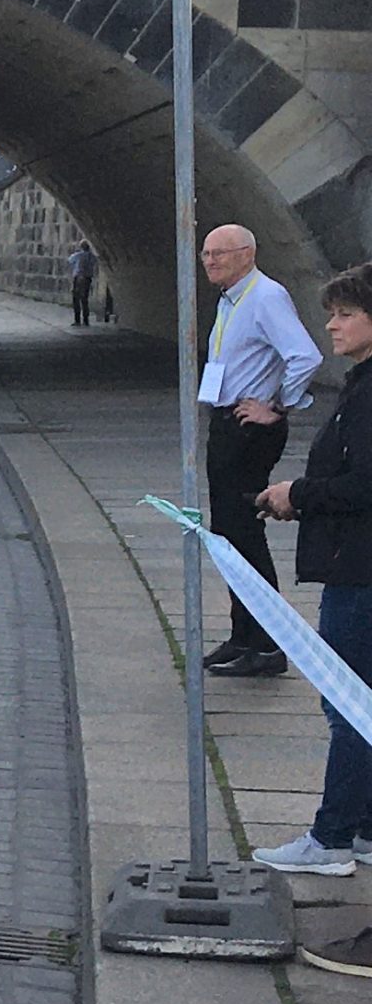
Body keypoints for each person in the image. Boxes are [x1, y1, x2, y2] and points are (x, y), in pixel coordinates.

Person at [250, 264, 372, 884]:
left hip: (360, 572)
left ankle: (331, 839)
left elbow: (365, 484)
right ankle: (365, 827)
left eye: (345, 313)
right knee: (362, 699)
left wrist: (298, 493)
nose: (331, 324)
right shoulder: (362, 385)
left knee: (346, 701)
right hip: (354, 564)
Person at [199, 224, 324, 678]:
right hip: (229, 421)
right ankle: (243, 634)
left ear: (247, 254)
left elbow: (305, 356)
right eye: (206, 254)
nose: (211, 261)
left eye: (221, 253)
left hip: (249, 428)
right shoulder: (232, 297)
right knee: (228, 533)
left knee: (244, 535)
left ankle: (268, 645)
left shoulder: (266, 296)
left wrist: (278, 406)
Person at [68, 239, 99, 328]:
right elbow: (95, 262)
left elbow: (70, 260)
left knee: (76, 298)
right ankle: (86, 320)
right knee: (85, 299)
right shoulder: (92, 256)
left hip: (78, 277)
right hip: (87, 278)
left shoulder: (78, 255)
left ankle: (77, 320)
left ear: (81, 247)